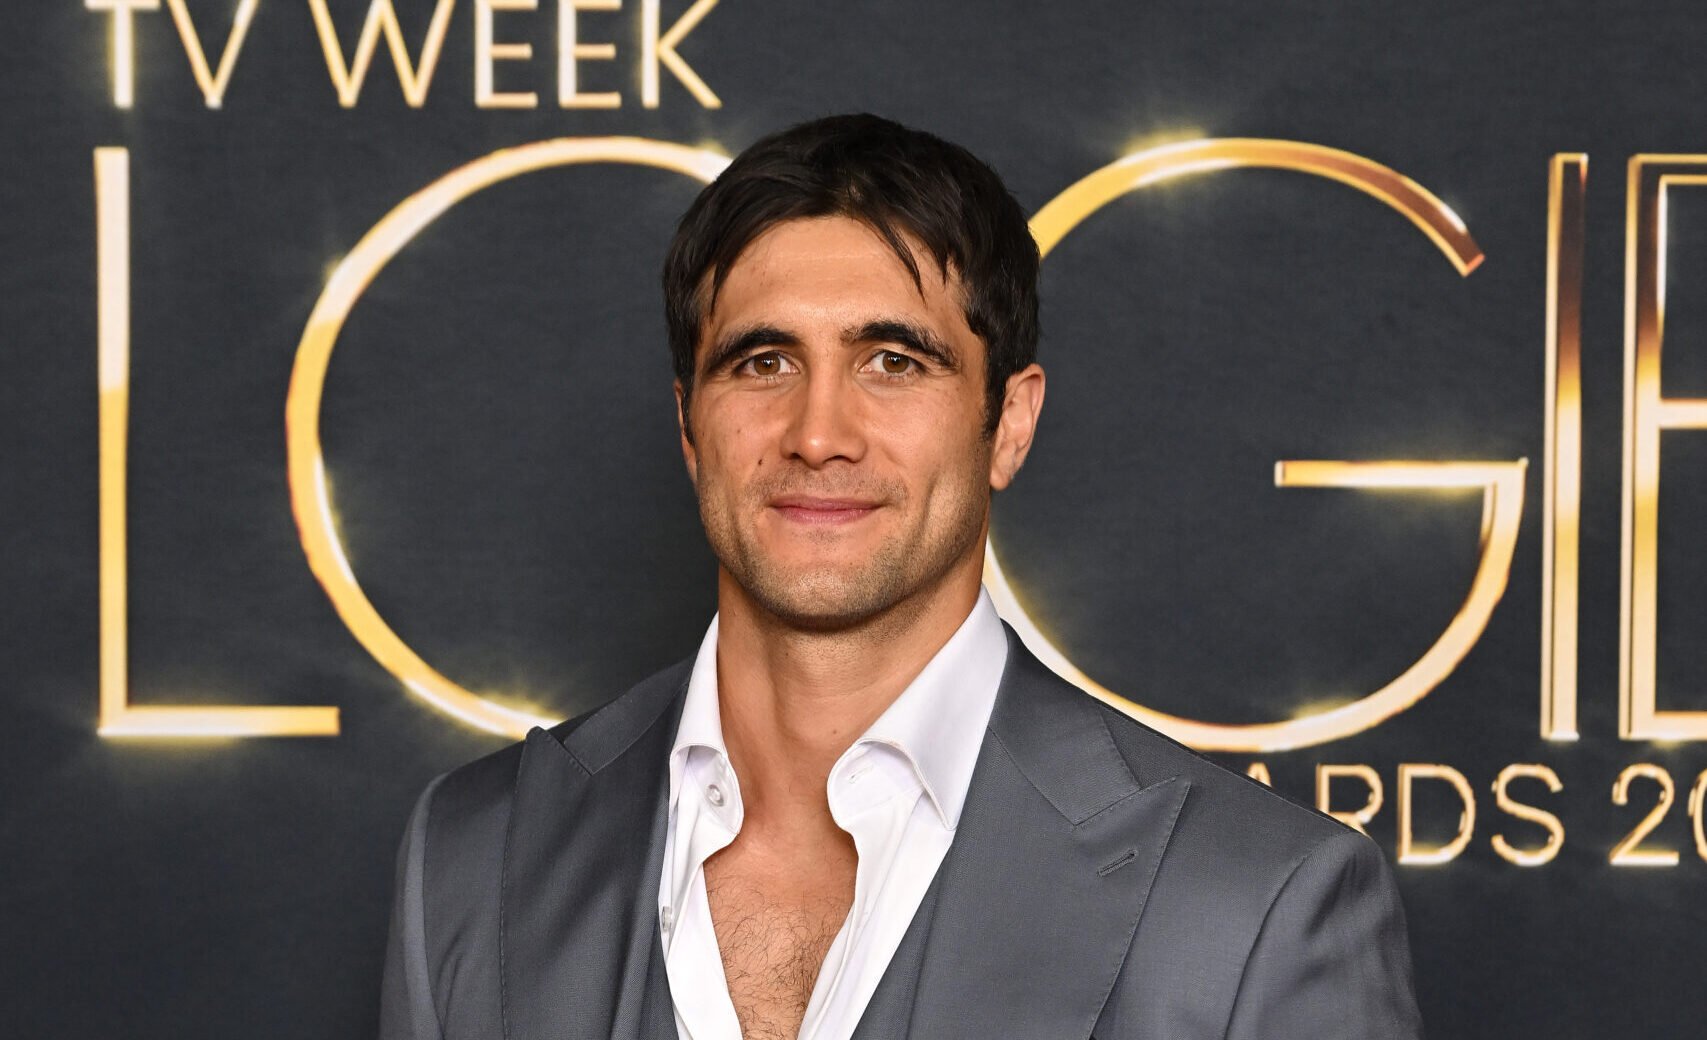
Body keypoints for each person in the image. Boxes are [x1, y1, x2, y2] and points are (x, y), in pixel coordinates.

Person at [378, 113, 1424, 1040]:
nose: (819, 431)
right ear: (690, 428)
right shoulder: (474, 854)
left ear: (1007, 423)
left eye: (895, 362)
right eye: (762, 361)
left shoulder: (1257, 904)